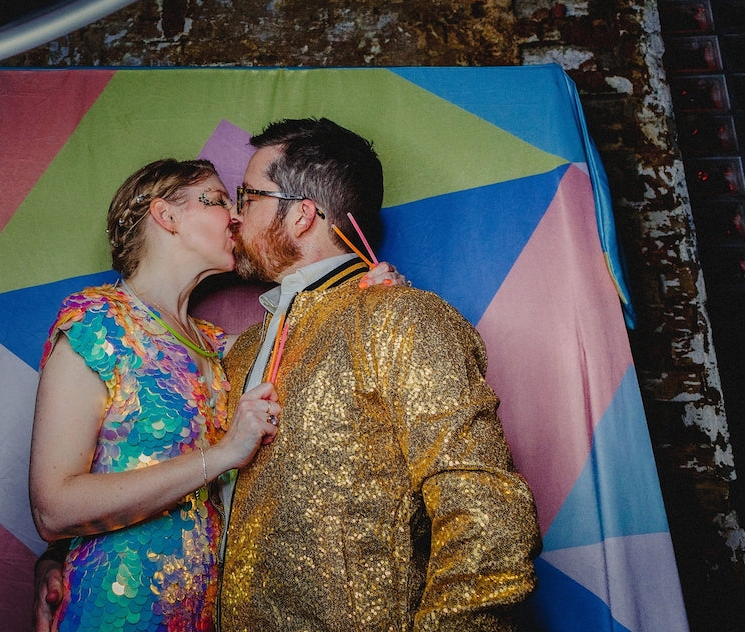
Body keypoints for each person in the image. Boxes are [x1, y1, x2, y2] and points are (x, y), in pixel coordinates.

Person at [37, 119, 540, 631]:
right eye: (225, 199)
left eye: (249, 196)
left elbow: (488, 516)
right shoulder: (239, 350)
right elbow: (134, 468)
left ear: (302, 217)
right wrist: (63, 560)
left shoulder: (398, 317)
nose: (235, 215)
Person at [28, 158, 280, 631]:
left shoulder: (218, 345)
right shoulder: (98, 325)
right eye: (219, 200)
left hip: (202, 615)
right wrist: (222, 455)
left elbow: (300, 354)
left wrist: (365, 295)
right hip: (115, 608)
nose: (236, 215)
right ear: (166, 216)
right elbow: (53, 508)